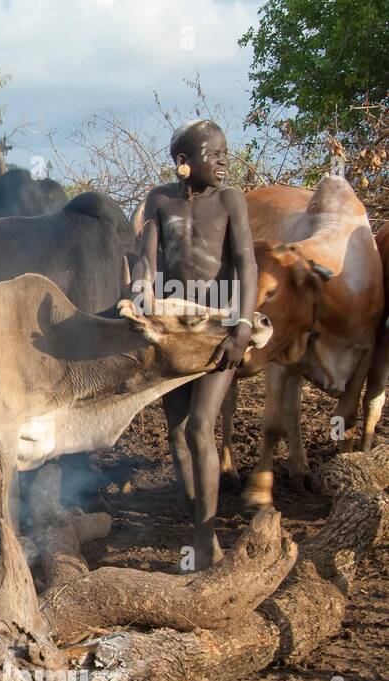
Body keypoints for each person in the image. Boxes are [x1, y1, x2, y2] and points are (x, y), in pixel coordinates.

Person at [135, 119, 258, 568]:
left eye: (227, 152)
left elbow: (246, 262)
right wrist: (141, 296)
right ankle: (199, 528)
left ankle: (207, 538)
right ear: (184, 163)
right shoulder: (159, 200)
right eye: (215, 154)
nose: (225, 161)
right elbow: (145, 263)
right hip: (174, 329)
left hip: (219, 326)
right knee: (177, 435)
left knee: (200, 426)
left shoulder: (230, 200)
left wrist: (242, 324)